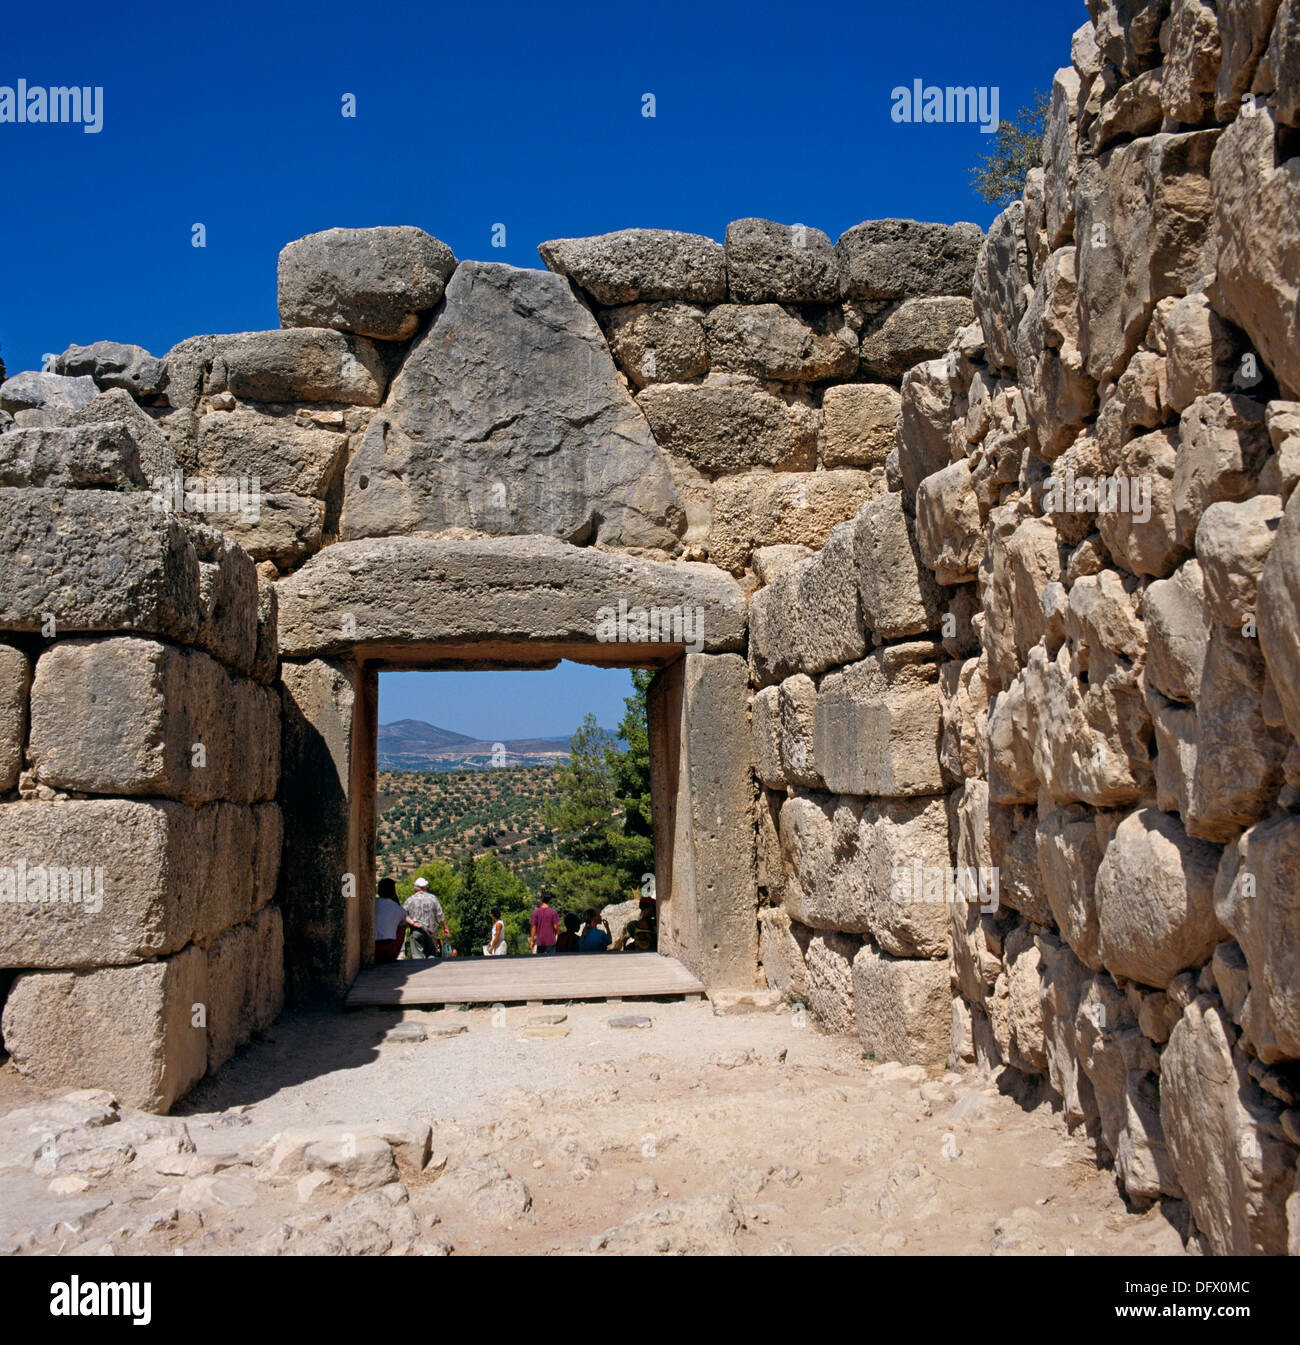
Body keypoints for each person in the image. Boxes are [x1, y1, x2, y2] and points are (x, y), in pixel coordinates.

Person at [405, 876, 451, 959]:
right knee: (432, 953)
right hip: (432, 932)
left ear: (416, 888)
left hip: (417, 930)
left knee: (417, 956)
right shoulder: (433, 898)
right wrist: (445, 928)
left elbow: (403, 915)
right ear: (425, 886)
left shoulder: (410, 900)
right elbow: (440, 915)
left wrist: (413, 923)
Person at [374, 878, 418, 964]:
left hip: (374, 947)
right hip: (389, 949)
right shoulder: (399, 909)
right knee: (402, 926)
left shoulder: (373, 904)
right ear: (393, 891)